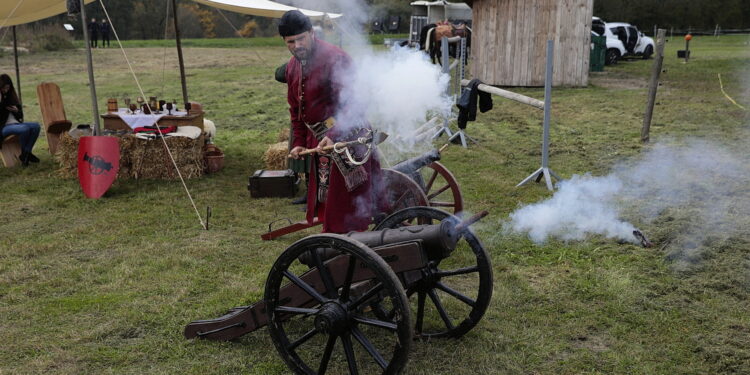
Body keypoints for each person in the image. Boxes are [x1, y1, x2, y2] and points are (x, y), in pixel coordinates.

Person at [281, 10, 381, 234]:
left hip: (349, 136)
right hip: (320, 140)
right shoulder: (291, 66)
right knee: (327, 199)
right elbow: (296, 109)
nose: (297, 45)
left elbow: (355, 103)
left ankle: (347, 243)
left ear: (311, 33)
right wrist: (298, 141)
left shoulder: (336, 58)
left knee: (345, 202)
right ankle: (334, 238)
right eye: (290, 42)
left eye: (301, 38)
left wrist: (334, 134)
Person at [0, 74, 40, 167]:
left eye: (7, 88)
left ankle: (25, 153)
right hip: (4, 127)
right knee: (25, 129)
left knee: (36, 126)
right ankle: (26, 155)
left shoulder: (10, 96)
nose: (6, 90)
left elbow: (20, 116)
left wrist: (17, 111)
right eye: (4, 88)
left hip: (16, 124)